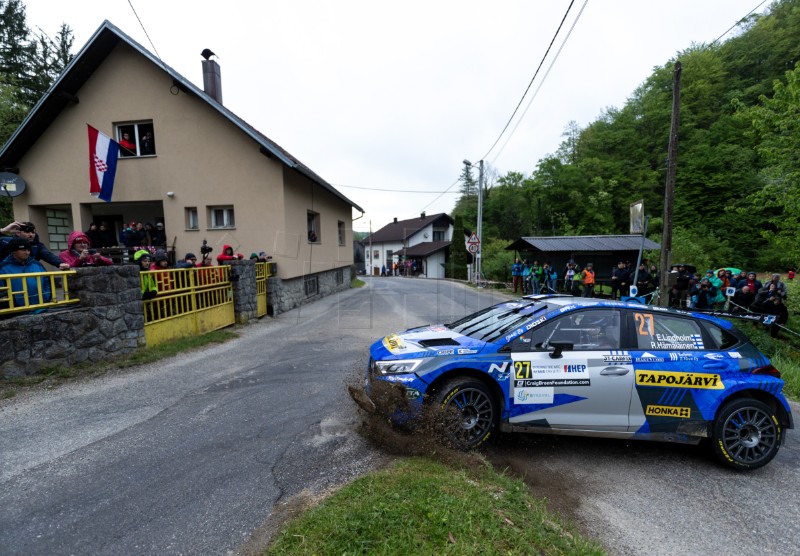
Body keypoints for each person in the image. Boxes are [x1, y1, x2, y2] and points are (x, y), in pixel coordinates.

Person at [0, 237, 52, 309]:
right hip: (17, 311)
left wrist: (46, 297)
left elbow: (47, 282)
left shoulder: (37, 264)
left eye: (28, 250)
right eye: (23, 250)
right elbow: (2, 291)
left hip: (41, 307)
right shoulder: (3, 268)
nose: (27, 253)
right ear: (14, 251)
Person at [0, 221, 69, 270]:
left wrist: (60, 263)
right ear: (18, 233)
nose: (31, 235)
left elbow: (48, 255)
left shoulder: (38, 246)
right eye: (27, 232)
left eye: (33, 232)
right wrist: (3, 230)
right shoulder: (6, 241)